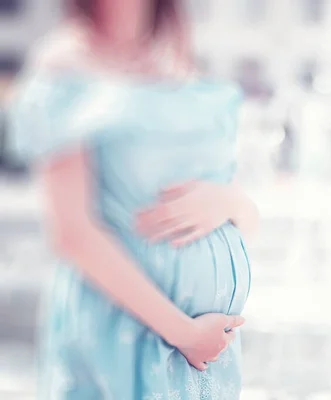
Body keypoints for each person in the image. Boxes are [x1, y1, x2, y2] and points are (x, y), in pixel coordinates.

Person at [6, 0, 260, 398]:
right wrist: (184, 332)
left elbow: (242, 207)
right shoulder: (67, 66)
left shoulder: (170, 60)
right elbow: (72, 234)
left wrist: (229, 203)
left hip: (198, 349)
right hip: (127, 333)